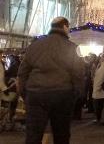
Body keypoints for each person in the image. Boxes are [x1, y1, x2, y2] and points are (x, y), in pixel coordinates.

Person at [16, 16, 85, 144]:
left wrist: (25, 93)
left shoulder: (35, 45)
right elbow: (78, 73)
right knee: (61, 134)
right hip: (62, 94)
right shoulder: (72, 47)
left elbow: (23, 72)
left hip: (36, 94)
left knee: (33, 134)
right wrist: (77, 94)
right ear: (65, 27)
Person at [92, 51, 104, 121]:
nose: (100, 58)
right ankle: (102, 118)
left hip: (100, 89)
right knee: (102, 105)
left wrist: (98, 87)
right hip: (101, 88)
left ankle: (100, 118)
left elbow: (101, 77)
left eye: (102, 57)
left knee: (98, 105)